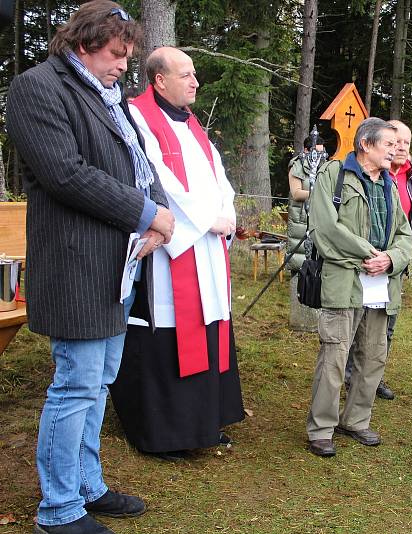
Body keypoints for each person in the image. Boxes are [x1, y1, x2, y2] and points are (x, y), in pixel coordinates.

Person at [5, 2, 175, 532]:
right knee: (75, 385)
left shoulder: (107, 95)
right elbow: (65, 174)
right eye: (116, 53)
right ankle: (57, 510)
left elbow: (138, 162)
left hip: (116, 267)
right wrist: (148, 213)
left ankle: (86, 484)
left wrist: (158, 213)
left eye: (128, 55)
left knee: (99, 381)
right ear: (84, 43)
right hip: (75, 265)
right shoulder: (38, 87)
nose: (125, 65)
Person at [109, 46, 245, 461]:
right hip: (172, 248)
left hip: (207, 245)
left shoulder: (192, 124)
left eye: (195, 74)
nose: (195, 81)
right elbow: (153, 176)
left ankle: (203, 422)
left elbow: (218, 176)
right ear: (159, 80)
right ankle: (167, 431)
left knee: (211, 324)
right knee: (171, 331)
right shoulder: (138, 117)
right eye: (185, 74)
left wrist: (226, 213)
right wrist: (206, 220)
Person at [305, 118, 412, 457]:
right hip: (345, 282)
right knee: (335, 356)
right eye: (388, 144)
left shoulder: (389, 185)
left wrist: (390, 260)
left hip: (381, 287)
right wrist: (370, 253)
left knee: (373, 356)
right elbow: (326, 229)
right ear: (365, 145)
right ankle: (321, 428)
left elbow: (406, 235)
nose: (394, 150)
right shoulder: (334, 175)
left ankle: (356, 420)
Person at [344, 119, 412, 401]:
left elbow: (408, 225)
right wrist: (372, 254)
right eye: (394, 141)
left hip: (392, 265)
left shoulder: (410, 176)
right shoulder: (363, 172)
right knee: (352, 329)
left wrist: (395, 259)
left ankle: (374, 378)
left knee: (384, 328)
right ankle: (351, 377)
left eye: (405, 143)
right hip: (362, 265)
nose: (399, 147)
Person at [287, 135, 327, 273]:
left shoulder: (324, 166)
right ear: (306, 150)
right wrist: (320, 193)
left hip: (320, 219)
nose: (320, 156)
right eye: (317, 152)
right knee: (300, 266)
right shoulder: (296, 166)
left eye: (322, 152)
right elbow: (296, 193)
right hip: (301, 220)